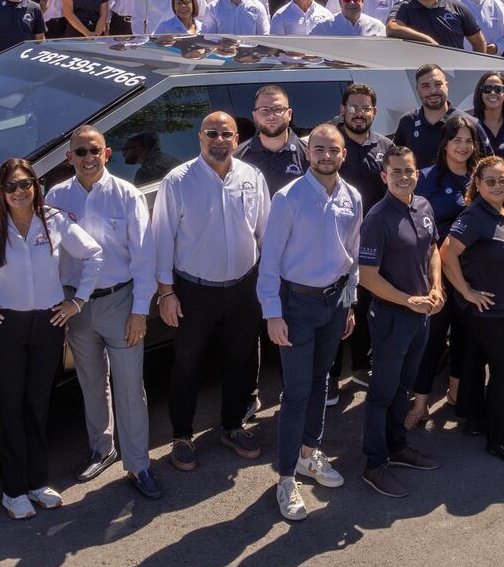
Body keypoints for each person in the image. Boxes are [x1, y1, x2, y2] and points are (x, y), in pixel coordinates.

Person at [0, 157, 101, 520]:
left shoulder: (55, 221)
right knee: (11, 409)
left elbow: (94, 255)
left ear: (35, 186)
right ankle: (13, 490)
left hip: (48, 324)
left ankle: (37, 483)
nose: (19, 192)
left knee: (37, 406)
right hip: (6, 327)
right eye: (11, 186)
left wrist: (77, 301)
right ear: (0, 190)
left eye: (25, 184)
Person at [154, 112, 273, 469]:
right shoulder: (177, 181)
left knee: (241, 359)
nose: (219, 139)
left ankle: (233, 426)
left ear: (237, 139)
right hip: (193, 291)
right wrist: (165, 293)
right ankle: (181, 436)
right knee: (187, 364)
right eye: (211, 133)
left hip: (243, 287)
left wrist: (267, 287)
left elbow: (265, 234)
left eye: (226, 134)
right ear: (199, 138)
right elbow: (162, 240)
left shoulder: (252, 177)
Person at [256, 123, 361, 518]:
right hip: (295, 306)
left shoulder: (354, 197)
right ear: (307, 152)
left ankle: (307, 454)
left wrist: (349, 303)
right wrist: (272, 314)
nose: (326, 155)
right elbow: (269, 262)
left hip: (334, 305)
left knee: (322, 383)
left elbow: (351, 257)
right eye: (319, 148)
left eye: (333, 149)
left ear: (342, 154)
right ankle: (285, 479)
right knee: (296, 393)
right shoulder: (288, 198)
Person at [48, 128, 159, 498]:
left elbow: (144, 259)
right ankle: (102, 448)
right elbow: (51, 255)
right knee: (91, 382)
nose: (87, 157)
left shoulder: (127, 195)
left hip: (120, 303)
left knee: (130, 387)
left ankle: (139, 464)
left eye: (94, 150)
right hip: (76, 307)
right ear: (69, 158)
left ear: (107, 153)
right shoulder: (56, 196)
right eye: (80, 151)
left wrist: (140, 311)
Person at [356, 144, 446, 495]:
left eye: (409, 170)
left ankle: (397, 447)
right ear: (384, 176)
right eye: (397, 172)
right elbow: (367, 276)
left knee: (404, 388)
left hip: (422, 315)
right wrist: (409, 300)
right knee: (381, 393)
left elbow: (432, 250)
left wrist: (436, 287)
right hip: (393, 318)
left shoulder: (423, 206)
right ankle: (374, 464)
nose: (405, 177)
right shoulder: (377, 218)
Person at [441, 155, 504, 462]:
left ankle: (475, 419)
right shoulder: (476, 215)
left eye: (502, 180)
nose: (496, 186)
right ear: (477, 184)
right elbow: (446, 252)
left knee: (476, 359)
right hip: (488, 311)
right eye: (489, 181)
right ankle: (501, 439)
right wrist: (465, 290)